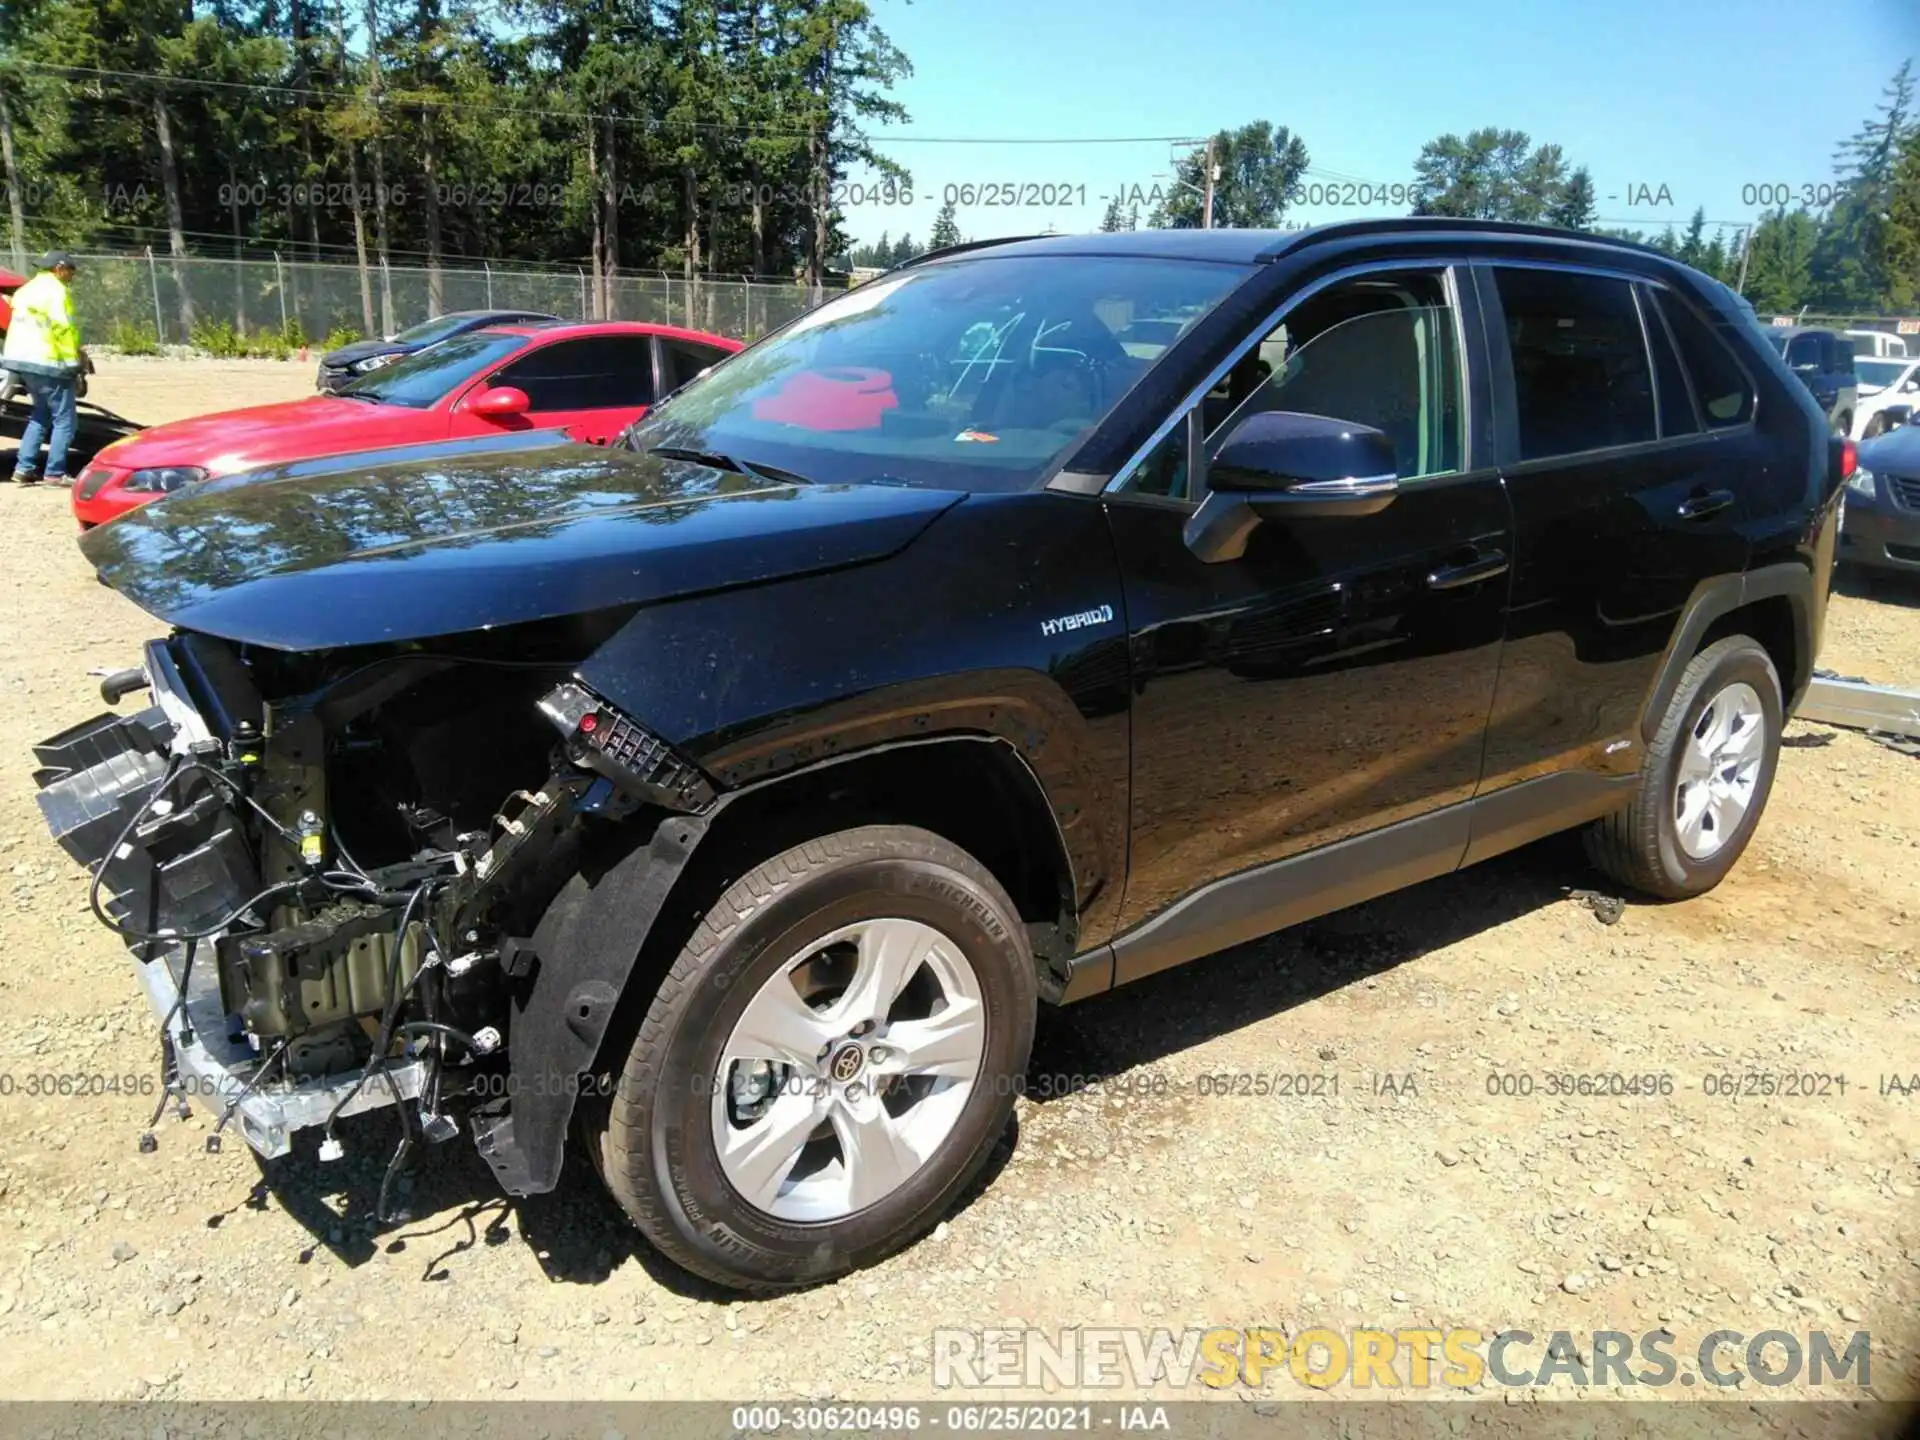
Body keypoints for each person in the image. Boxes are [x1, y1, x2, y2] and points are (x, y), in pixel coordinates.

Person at [2, 251, 87, 486]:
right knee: (65, 420)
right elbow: (63, 329)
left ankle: (24, 468)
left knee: (40, 413)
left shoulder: (25, 290)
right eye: (71, 270)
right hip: (49, 362)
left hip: (21, 360)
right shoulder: (56, 291)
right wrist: (74, 365)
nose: (72, 275)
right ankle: (55, 473)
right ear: (59, 268)